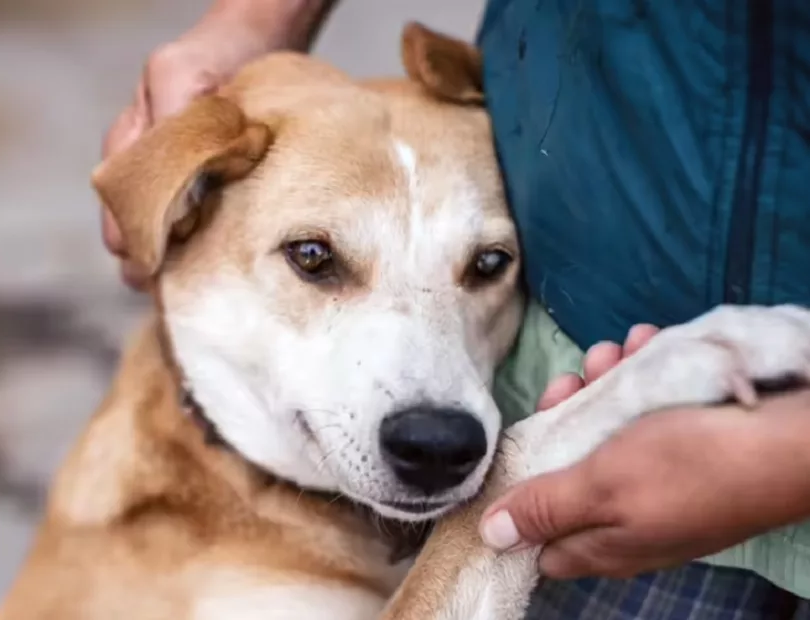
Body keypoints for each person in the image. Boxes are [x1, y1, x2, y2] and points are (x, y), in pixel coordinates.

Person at [99, 0, 810, 617]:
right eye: (317, 260)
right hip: (621, 390)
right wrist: (256, 17)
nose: (430, 401)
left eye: (484, 265)